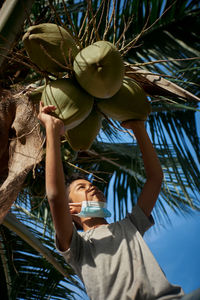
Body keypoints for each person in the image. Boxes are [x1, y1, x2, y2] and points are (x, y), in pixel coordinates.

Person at [38, 102, 199, 300]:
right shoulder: (78, 247)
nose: (91, 187)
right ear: (71, 209)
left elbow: (155, 179)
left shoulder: (130, 226)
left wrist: (138, 128)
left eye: (91, 184)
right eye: (82, 188)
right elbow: (55, 197)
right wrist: (52, 131)